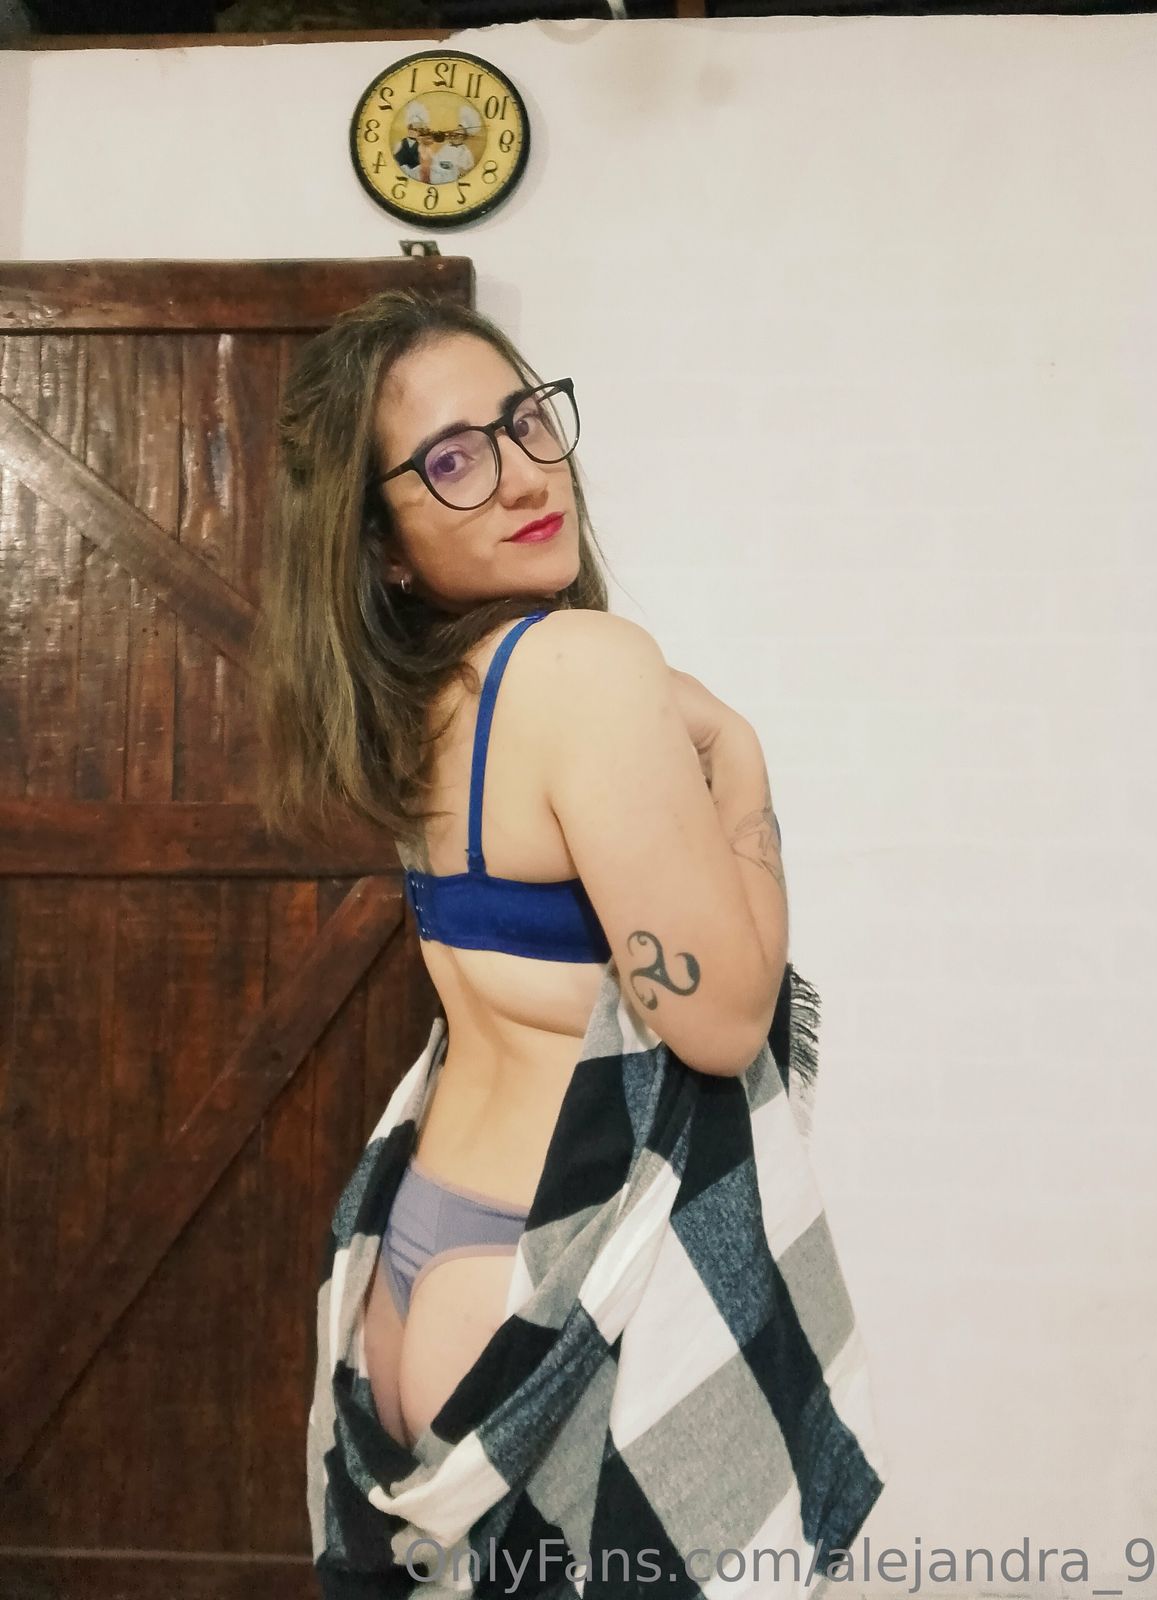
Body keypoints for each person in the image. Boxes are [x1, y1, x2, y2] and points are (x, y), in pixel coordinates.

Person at [251, 286, 789, 1470]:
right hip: (543, 1272)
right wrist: (740, 749)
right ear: (382, 547)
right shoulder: (581, 666)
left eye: (526, 421)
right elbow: (726, 1022)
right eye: (453, 460)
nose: (526, 476)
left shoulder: (425, 707)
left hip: (411, 1267)